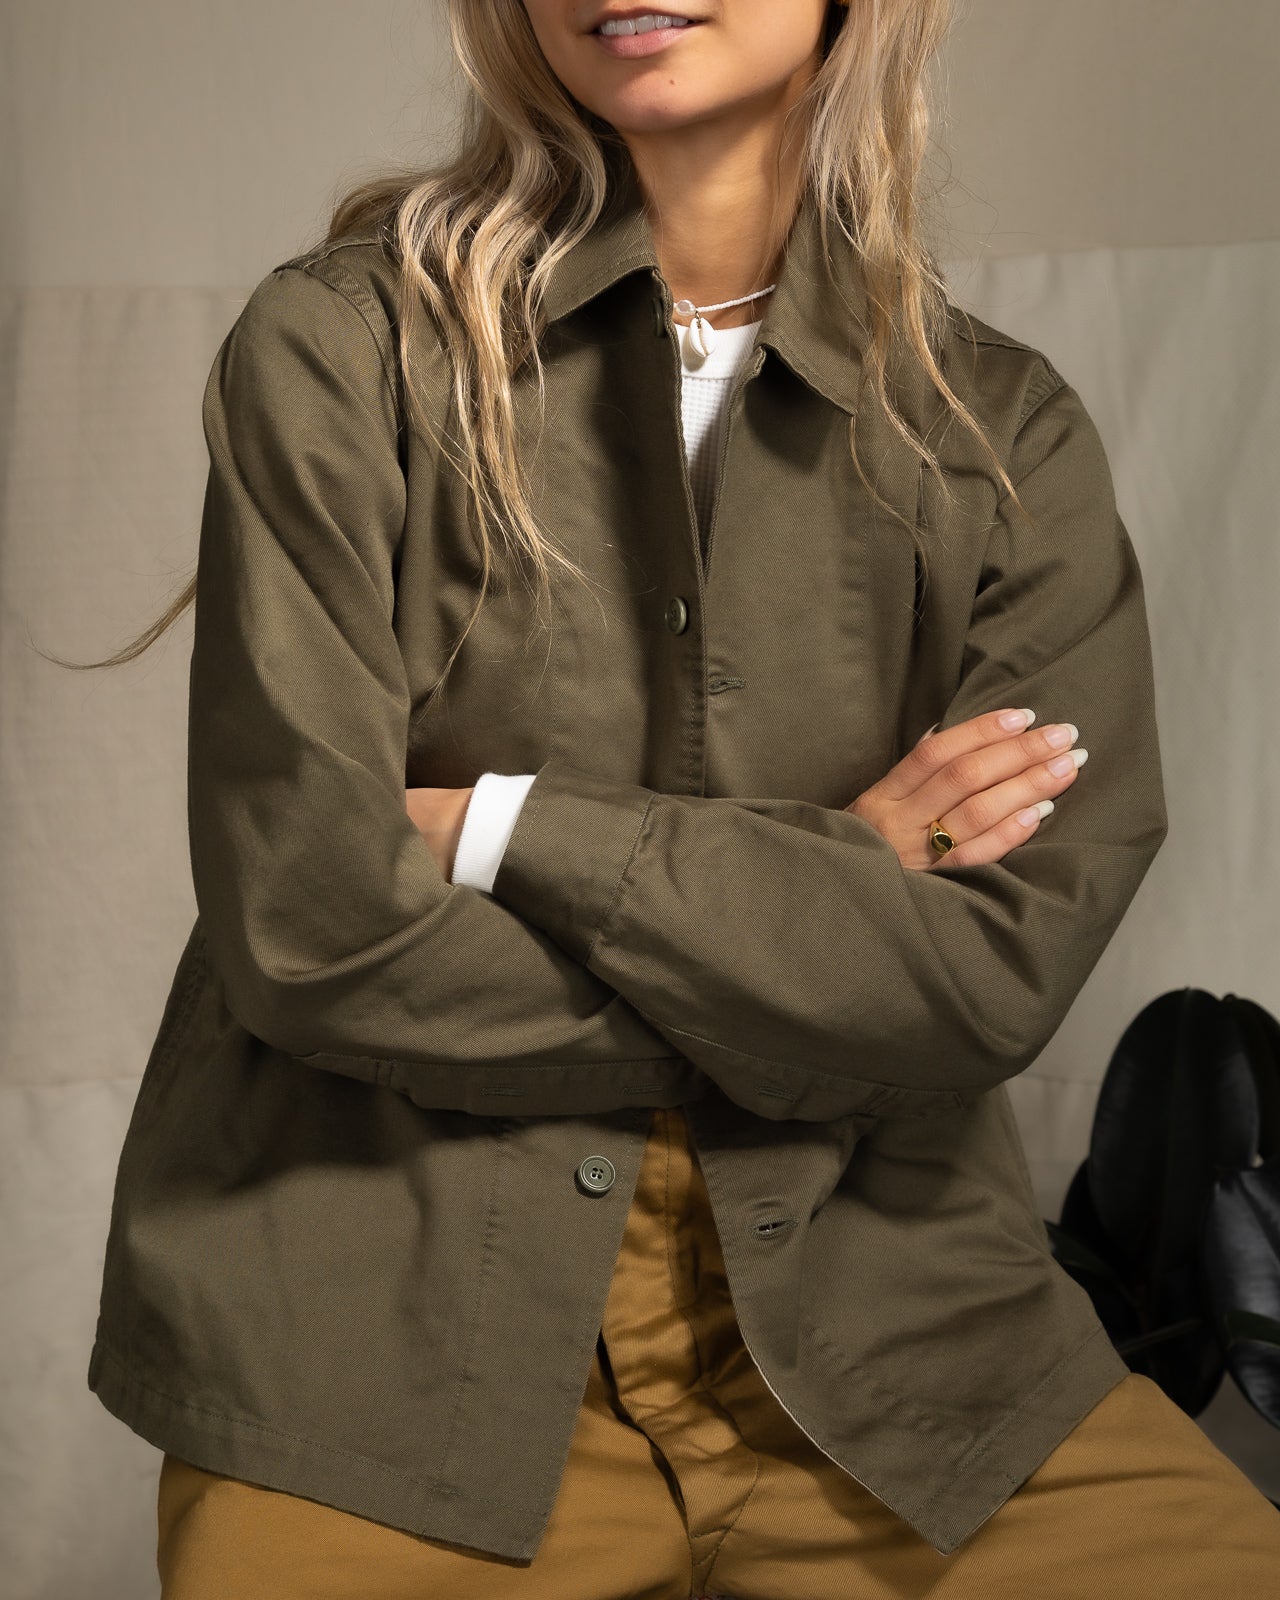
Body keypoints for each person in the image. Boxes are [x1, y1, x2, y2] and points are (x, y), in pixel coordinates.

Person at [75, 2, 1280, 1596]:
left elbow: (993, 973)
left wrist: (497, 828)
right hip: (382, 1349)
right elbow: (314, 926)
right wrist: (830, 896)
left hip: (899, 1332)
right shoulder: (340, 350)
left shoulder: (1006, 438)